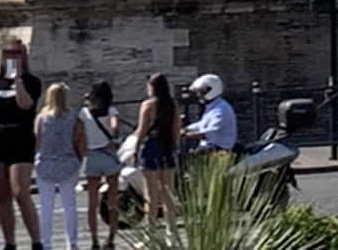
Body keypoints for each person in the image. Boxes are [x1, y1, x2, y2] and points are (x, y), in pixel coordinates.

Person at [0, 37, 43, 250]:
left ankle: (36, 241)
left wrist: (17, 80)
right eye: (8, 53)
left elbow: (26, 105)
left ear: (24, 55)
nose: (12, 57)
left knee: (20, 192)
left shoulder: (32, 81)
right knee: (2, 195)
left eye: (16, 53)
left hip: (21, 139)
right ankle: (10, 242)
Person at [32, 84, 86, 250]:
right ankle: (72, 242)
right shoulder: (74, 117)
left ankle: (46, 242)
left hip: (46, 163)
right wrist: (79, 159)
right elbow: (79, 141)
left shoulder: (41, 118)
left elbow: (37, 141)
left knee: (46, 206)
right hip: (68, 162)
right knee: (69, 205)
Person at [79, 82, 125, 248]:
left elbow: (79, 134)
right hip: (108, 155)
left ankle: (94, 240)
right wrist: (112, 137)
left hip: (92, 155)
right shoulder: (111, 110)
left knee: (92, 202)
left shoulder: (84, 113)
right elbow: (115, 128)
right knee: (112, 200)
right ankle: (111, 238)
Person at [134, 73, 183, 223]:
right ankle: (171, 232)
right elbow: (176, 129)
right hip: (167, 146)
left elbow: (142, 131)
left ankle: (152, 232)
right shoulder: (172, 104)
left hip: (151, 147)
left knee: (151, 194)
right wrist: (174, 146)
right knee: (168, 192)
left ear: (152, 87)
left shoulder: (147, 105)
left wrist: (136, 149)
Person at [183, 74, 238, 154]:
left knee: (189, 160)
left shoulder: (221, 109)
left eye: (202, 92)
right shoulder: (213, 106)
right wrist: (187, 128)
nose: (199, 95)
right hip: (209, 147)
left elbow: (211, 133)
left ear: (211, 91)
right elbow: (202, 124)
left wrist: (188, 135)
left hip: (220, 150)